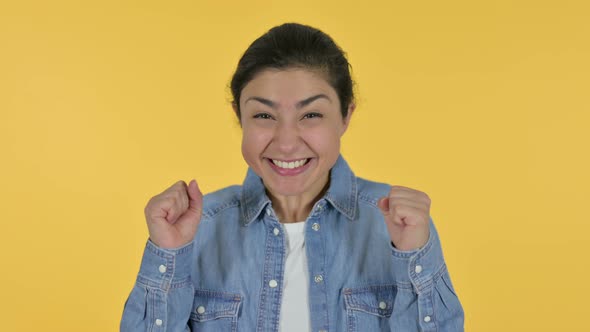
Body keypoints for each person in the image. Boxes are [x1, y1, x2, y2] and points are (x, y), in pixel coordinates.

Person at [120, 22, 464, 332]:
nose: (285, 143)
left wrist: (414, 258)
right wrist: (169, 256)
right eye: (263, 115)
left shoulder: (399, 228)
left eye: (311, 114)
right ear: (239, 116)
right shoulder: (193, 232)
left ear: (346, 116)